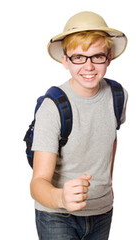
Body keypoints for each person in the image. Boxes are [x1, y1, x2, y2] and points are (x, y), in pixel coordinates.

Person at [30, 11, 127, 239]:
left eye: (97, 56)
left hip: (102, 211)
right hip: (57, 216)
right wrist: (62, 198)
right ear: (66, 61)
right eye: (79, 57)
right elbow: (37, 183)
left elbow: (110, 137)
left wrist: (107, 182)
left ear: (109, 58)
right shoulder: (52, 107)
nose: (89, 66)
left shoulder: (118, 95)